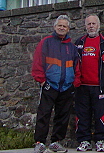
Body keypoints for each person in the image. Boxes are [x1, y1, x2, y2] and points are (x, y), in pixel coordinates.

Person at [31, 14, 80, 153]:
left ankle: (55, 142)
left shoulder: (72, 47)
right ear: (54, 27)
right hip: (50, 85)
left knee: (63, 115)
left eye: (64, 26)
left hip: (66, 86)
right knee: (44, 114)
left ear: (68, 28)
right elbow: (37, 62)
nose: (62, 28)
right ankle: (39, 142)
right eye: (60, 25)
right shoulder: (46, 42)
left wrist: (75, 83)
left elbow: (77, 66)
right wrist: (41, 81)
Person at [74, 14, 104, 152]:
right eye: (89, 24)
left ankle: (100, 141)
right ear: (85, 26)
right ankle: (84, 141)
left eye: (93, 24)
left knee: (101, 114)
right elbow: (73, 63)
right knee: (82, 115)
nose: (91, 26)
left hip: (100, 86)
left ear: (98, 26)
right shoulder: (79, 43)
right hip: (82, 86)